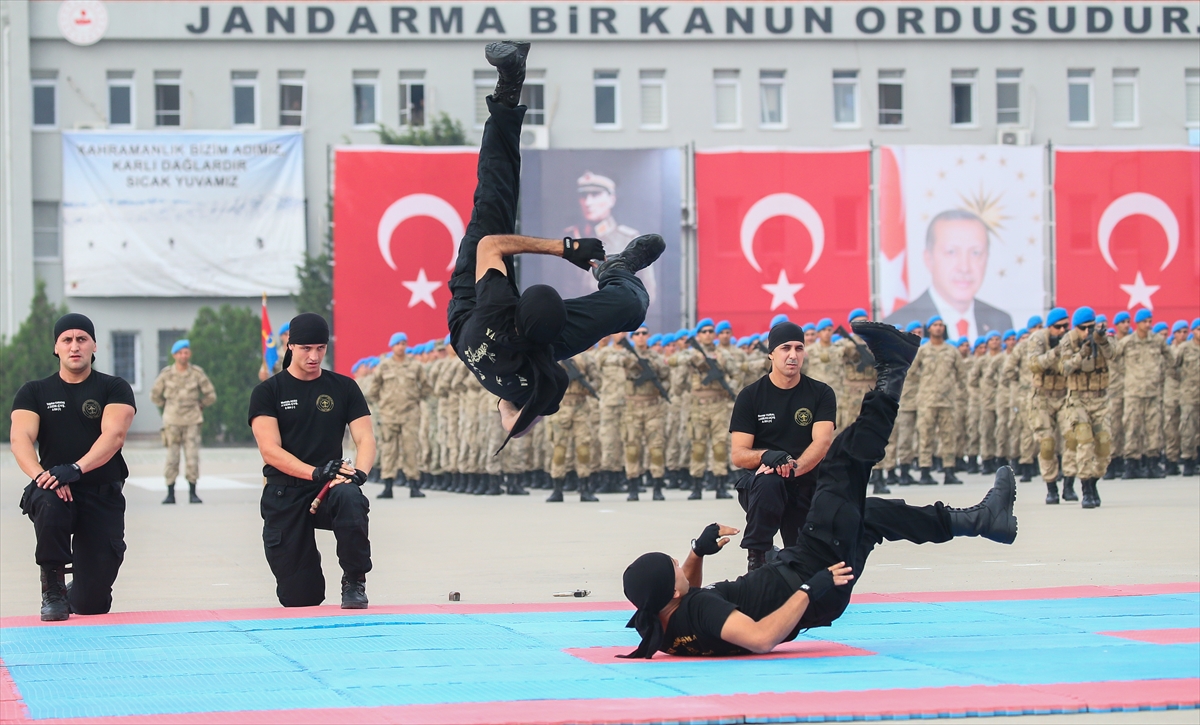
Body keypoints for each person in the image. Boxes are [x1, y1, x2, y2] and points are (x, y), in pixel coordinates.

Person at [617, 321, 1017, 659]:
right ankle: (895, 368)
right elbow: (760, 639)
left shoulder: (662, 627)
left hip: (802, 573)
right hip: (808, 574)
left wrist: (696, 552)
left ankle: (983, 521)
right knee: (844, 460)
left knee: (869, 515)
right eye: (675, 567)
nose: (681, 569)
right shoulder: (698, 612)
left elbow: (683, 592)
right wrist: (810, 590)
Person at [445, 41, 664, 452]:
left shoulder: (492, 313)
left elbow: (491, 245)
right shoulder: (546, 376)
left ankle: (509, 84)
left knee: (495, 192)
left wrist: (565, 248)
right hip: (530, 340)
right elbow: (534, 404)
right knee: (630, 307)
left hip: (470, 301)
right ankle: (616, 269)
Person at [11, 313, 137, 621]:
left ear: (95, 346)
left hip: (100, 491)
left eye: (82, 339)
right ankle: (52, 589)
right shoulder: (34, 392)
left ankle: (78, 587)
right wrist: (42, 475)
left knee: (92, 604)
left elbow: (114, 435)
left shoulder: (114, 388)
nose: (74, 346)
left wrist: (77, 469)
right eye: (66, 340)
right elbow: (20, 439)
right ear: (56, 347)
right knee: (49, 501)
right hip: (55, 487)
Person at [248, 313, 376, 609]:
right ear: (290, 346)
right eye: (306, 348)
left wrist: (359, 473)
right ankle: (302, 570)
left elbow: (365, 438)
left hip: (329, 488)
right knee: (301, 598)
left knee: (350, 497)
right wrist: (315, 471)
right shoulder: (268, 392)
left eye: (320, 348)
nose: (314, 356)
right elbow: (270, 451)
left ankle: (354, 580)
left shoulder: (344, 388)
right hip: (285, 492)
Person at [730, 321, 836, 573]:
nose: (793, 355)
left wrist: (793, 467)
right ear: (771, 353)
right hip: (761, 486)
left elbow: (822, 441)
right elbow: (739, 454)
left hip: (805, 483)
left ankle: (786, 557)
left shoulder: (820, 393)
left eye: (799, 348)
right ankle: (757, 557)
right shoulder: (751, 396)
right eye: (785, 348)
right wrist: (767, 455)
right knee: (769, 483)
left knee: (805, 566)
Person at [883, 210, 1013, 337]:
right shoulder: (897, 325)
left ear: (987, 258)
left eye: (976, 253)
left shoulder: (1000, 321)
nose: (964, 267)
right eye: (951, 252)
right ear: (929, 258)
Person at [1058, 306, 1113, 508]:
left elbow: (1113, 354)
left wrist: (1101, 339)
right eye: (1083, 328)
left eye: (1091, 327)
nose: (1087, 332)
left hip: (1100, 400)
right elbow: (1064, 368)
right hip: (1078, 400)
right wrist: (1082, 353)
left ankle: (1094, 480)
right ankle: (1086, 488)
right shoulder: (1068, 340)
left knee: (1104, 444)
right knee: (1085, 441)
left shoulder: (1103, 338)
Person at [150, 339, 217, 505]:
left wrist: (200, 405)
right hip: (172, 421)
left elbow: (210, 395)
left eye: (186, 352)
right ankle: (170, 493)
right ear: (174, 355)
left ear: (190, 354)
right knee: (172, 458)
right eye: (180, 353)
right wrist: (167, 406)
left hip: (192, 420)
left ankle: (193, 493)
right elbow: (155, 395)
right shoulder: (166, 374)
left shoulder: (196, 373)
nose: (183, 355)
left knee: (192, 457)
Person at [364, 332, 425, 499]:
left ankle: (414, 485)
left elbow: (425, 387)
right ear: (392, 346)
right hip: (389, 415)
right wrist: (384, 405)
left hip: (410, 414)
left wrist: (415, 400)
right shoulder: (384, 366)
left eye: (404, 343)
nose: (401, 347)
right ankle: (388, 486)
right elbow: (373, 390)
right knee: (389, 450)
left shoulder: (415, 366)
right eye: (398, 344)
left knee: (411, 449)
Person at [1116, 309, 1174, 480]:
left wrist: (1160, 374)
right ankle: (1132, 464)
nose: (1148, 325)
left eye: (1150, 321)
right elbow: (1114, 360)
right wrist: (1127, 375)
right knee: (1132, 427)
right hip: (1133, 392)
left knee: (1154, 428)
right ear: (1137, 323)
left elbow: (1170, 359)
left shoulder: (1157, 341)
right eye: (1145, 322)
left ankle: (1152, 464)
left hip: (1153, 392)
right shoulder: (1127, 342)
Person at [911, 316, 966, 485]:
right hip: (927, 401)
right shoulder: (922, 350)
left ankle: (949, 471)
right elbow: (911, 373)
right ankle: (925, 471)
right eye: (935, 325)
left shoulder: (951, 351)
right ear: (929, 328)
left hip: (947, 401)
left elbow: (962, 375)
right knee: (926, 437)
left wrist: (956, 393)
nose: (938, 328)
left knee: (948, 437)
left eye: (941, 325)